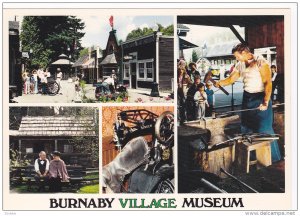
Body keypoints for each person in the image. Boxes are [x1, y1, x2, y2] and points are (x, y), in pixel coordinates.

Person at [214, 43, 281, 162]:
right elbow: (231, 79)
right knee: (247, 128)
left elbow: (268, 84)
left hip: (261, 97)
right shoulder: (240, 64)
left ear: (244, 53)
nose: (236, 58)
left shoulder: (261, 62)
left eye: (237, 56)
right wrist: (220, 83)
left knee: (263, 130)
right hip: (247, 98)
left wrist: (265, 102)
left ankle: (273, 160)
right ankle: (253, 157)